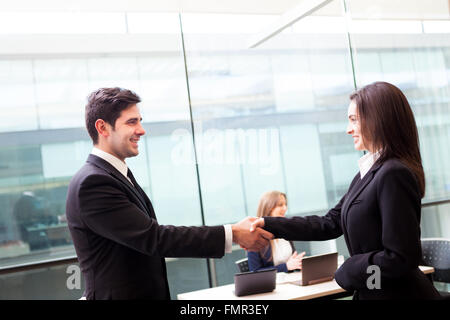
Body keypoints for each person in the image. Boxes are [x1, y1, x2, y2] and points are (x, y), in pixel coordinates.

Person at [65, 87, 273, 300]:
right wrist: (233, 233)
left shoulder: (115, 174)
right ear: (103, 127)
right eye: (131, 122)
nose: (141, 130)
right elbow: (154, 238)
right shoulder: (94, 182)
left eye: (140, 120)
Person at [250, 82, 441, 300]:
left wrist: (351, 270)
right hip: (377, 291)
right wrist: (268, 224)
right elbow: (328, 224)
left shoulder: (393, 173)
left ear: (378, 119)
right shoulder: (366, 174)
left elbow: (401, 259)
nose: (348, 129)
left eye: (354, 120)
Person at [247, 191, 305, 272]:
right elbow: (255, 272)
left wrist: (297, 263)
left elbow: (291, 263)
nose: (285, 208)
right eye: (280, 205)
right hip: (271, 284)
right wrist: (286, 267)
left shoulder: (286, 230)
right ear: (268, 207)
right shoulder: (255, 237)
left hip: (291, 280)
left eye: (285, 204)